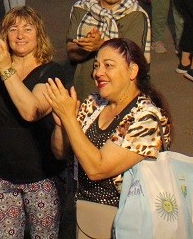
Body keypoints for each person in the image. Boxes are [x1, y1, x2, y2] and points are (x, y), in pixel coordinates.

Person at [44, 38, 172, 239]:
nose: (98, 73)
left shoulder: (147, 118)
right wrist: (62, 126)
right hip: (88, 215)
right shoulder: (94, 103)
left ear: (132, 71)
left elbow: (98, 168)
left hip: (131, 222)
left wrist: (69, 118)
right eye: (96, 66)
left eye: (108, 65)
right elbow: (60, 153)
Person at [0, 7, 65, 238]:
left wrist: (6, 69)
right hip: (1, 177)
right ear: (5, 35)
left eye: (28, 29)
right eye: (13, 29)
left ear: (39, 35)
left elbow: (31, 111)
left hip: (42, 179)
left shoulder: (51, 72)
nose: (20, 35)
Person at [66, 0, 150, 99]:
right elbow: (71, 52)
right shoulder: (81, 8)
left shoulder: (136, 16)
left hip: (119, 99)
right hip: (85, 95)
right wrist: (86, 48)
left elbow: (133, 62)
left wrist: (102, 45)